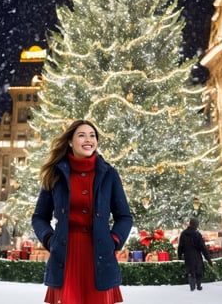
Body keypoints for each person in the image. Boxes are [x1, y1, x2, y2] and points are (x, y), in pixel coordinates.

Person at [32, 119, 133, 304]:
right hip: (65, 255)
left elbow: (124, 217)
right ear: (70, 141)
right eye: (81, 135)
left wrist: (114, 241)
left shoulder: (109, 174)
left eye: (92, 135)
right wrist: (49, 239)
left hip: (100, 255)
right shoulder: (55, 174)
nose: (88, 139)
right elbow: (39, 217)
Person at [178, 217, 213, 291]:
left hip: (187, 256)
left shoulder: (183, 234)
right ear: (196, 225)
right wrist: (208, 259)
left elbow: (180, 246)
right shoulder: (197, 234)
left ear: (190, 224)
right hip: (197, 256)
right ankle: (199, 286)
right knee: (199, 271)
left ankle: (192, 287)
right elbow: (203, 248)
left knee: (190, 271)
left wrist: (180, 256)